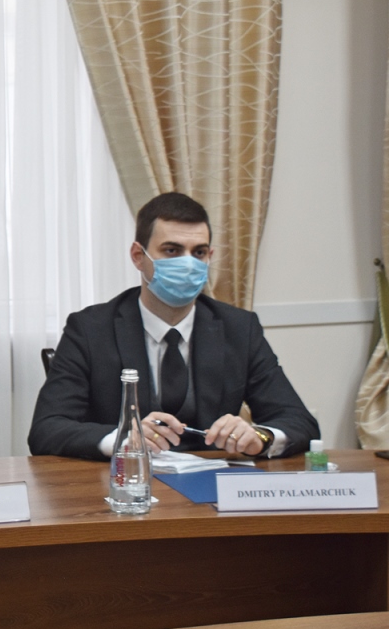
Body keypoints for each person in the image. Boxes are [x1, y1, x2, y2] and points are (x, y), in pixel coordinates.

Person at [28, 192, 319, 460]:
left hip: (211, 480)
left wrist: (260, 436)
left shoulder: (239, 328)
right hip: (124, 482)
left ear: (210, 257)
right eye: (171, 250)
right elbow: (46, 429)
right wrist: (125, 438)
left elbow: (300, 422)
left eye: (199, 253)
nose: (188, 264)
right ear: (138, 256)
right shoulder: (90, 329)